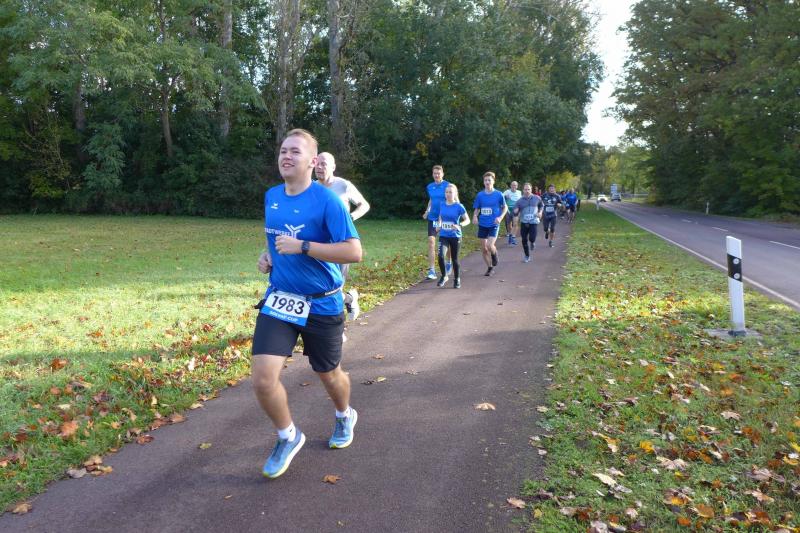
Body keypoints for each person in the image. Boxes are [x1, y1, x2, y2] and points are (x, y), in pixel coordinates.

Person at [254, 128, 362, 479]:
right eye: (283, 150)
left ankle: (344, 414)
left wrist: (303, 247)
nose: (286, 156)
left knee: (329, 374)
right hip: (281, 300)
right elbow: (275, 238)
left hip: (321, 303)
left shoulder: (328, 201)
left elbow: (354, 251)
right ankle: (288, 436)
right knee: (263, 379)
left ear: (312, 162)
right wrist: (268, 257)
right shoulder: (272, 195)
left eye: (295, 152)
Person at [314, 152, 370, 321]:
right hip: (318, 244)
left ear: (333, 167)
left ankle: (338, 324)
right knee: (321, 288)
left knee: (335, 288)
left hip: (342, 244)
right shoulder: (311, 188)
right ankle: (349, 299)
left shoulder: (344, 185)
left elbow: (364, 205)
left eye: (323, 164)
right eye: (316, 163)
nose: (319, 167)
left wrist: (350, 218)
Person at [472, 171, 507, 276]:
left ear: (493, 181)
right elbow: (477, 208)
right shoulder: (480, 195)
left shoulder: (499, 194)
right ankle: (490, 267)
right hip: (483, 224)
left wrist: (500, 217)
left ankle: (494, 253)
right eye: (485, 180)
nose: (487, 182)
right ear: (483, 182)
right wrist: (475, 216)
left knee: (490, 245)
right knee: (484, 249)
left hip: (493, 223)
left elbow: (505, 207)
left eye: (489, 180)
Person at [436, 184, 470, 288]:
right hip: (444, 235)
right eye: (446, 192)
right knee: (440, 256)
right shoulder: (442, 204)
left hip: (455, 236)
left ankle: (457, 279)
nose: (448, 194)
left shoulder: (459, 206)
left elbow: (467, 220)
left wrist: (459, 225)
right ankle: (444, 276)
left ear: (455, 194)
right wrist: (438, 225)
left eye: (450, 192)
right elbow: (440, 217)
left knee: (455, 259)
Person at [422, 165, 450, 280]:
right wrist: (427, 211)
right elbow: (431, 200)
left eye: (438, 173)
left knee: (447, 243)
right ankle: (432, 270)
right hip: (433, 218)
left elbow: (452, 199)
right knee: (431, 242)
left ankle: (449, 262)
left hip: (445, 218)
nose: (437, 175)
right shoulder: (430, 186)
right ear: (432, 174)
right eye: (435, 173)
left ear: (442, 174)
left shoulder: (448, 185)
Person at [513, 183, 543, 263]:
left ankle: (532, 242)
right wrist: (516, 211)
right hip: (524, 222)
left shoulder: (537, 198)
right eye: (525, 189)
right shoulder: (519, 201)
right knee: (524, 240)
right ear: (523, 190)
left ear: (531, 189)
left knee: (532, 238)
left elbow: (541, 205)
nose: (527, 191)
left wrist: (540, 212)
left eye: (528, 189)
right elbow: (515, 210)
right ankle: (527, 256)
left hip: (534, 222)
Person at [502, 181, 522, 246]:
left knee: (515, 224)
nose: (514, 186)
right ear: (510, 186)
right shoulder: (506, 192)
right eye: (512, 185)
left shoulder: (519, 192)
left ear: (517, 186)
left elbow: (521, 201)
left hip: (516, 210)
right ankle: (510, 235)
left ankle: (513, 237)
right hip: (508, 210)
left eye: (515, 185)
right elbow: (501, 199)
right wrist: (505, 197)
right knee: (508, 224)